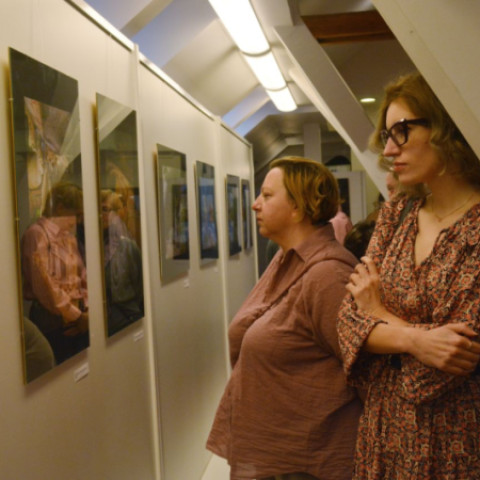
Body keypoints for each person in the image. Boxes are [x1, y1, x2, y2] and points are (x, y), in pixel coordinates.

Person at [337, 72, 480, 479]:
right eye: (387, 135)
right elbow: (346, 323)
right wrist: (418, 339)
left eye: (402, 131)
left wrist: (379, 314)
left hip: (454, 442)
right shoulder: (398, 213)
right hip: (382, 434)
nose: (388, 150)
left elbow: (455, 356)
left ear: (445, 127)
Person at [207, 156, 363, 480]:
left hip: (309, 464)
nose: (255, 204)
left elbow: (364, 371)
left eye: (266, 195)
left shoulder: (327, 276)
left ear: (298, 207)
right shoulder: (286, 261)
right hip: (280, 456)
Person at [21, 182, 89, 364]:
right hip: (52, 320)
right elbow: (45, 286)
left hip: (77, 318)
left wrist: (86, 309)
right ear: (59, 208)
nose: (77, 221)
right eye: (75, 214)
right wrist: (76, 315)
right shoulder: (37, 234)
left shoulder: (68, 237)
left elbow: (82, 275)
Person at [100, 190, 144, 336]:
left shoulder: (127, 247)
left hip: (128, 320)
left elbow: (139, 287)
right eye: (98, 209)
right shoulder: (87, 247)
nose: (101, 215)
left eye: (105, 209)